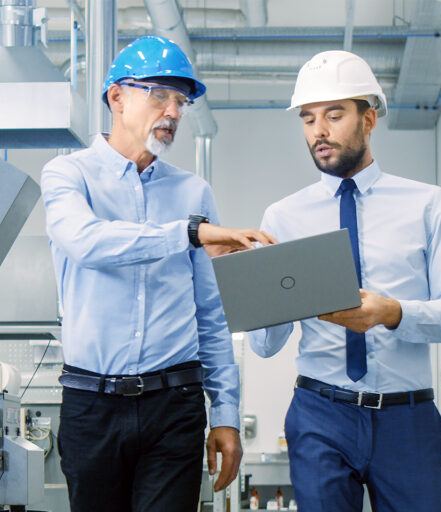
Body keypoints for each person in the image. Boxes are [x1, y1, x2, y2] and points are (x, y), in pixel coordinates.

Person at [41, 35, 275, 512]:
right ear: (116, 96)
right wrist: (189, 234)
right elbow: (87, 242)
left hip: (176, 404)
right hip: (92, 404)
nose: (173, 111)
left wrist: (225, 414)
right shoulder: (69, 177)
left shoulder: (194, 191)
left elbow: (210, 315)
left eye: (181, 100)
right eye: (159, 94)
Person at [248, 50, 441, 511]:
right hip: (320, 414)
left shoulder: (426, 205)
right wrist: (260, 291)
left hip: (407, 418)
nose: (319, 130)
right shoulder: (283, 217)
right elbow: (264, 345)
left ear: (368, 118)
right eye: (309, 118)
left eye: (334, 115)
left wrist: (393, 314)